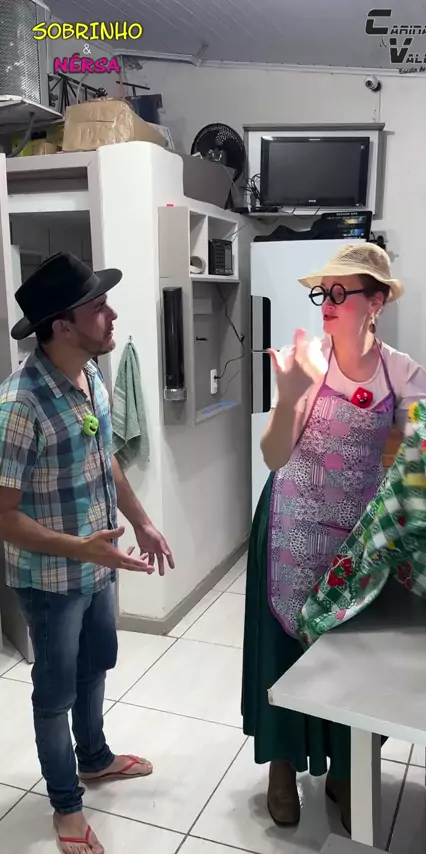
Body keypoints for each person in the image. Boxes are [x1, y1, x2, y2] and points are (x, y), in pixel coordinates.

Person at [241, 242, 426, 832]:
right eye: (324, 291)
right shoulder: (305, 360)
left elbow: (417, 462)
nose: (327, 301)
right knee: (283, 652)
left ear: (376, 302)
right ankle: (280, 767)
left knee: (349, 660)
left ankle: (346, 771)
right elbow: (274, 456)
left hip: (356, 540)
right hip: (289, 528)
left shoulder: (404, 374)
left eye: (342, 291)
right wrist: (289, 395)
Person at [0, 252, 175, 854]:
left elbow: (106, 464)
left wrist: (142, 522)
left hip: (99, 566)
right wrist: (82, 548)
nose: (112, 314)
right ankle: (66, 805)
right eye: (98, 307)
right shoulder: (19, 405)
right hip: (50, 580)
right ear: (62, 326)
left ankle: (95, 757)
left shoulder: (90, 377)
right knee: (55, 695)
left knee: (95, 664)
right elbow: (4, 515)